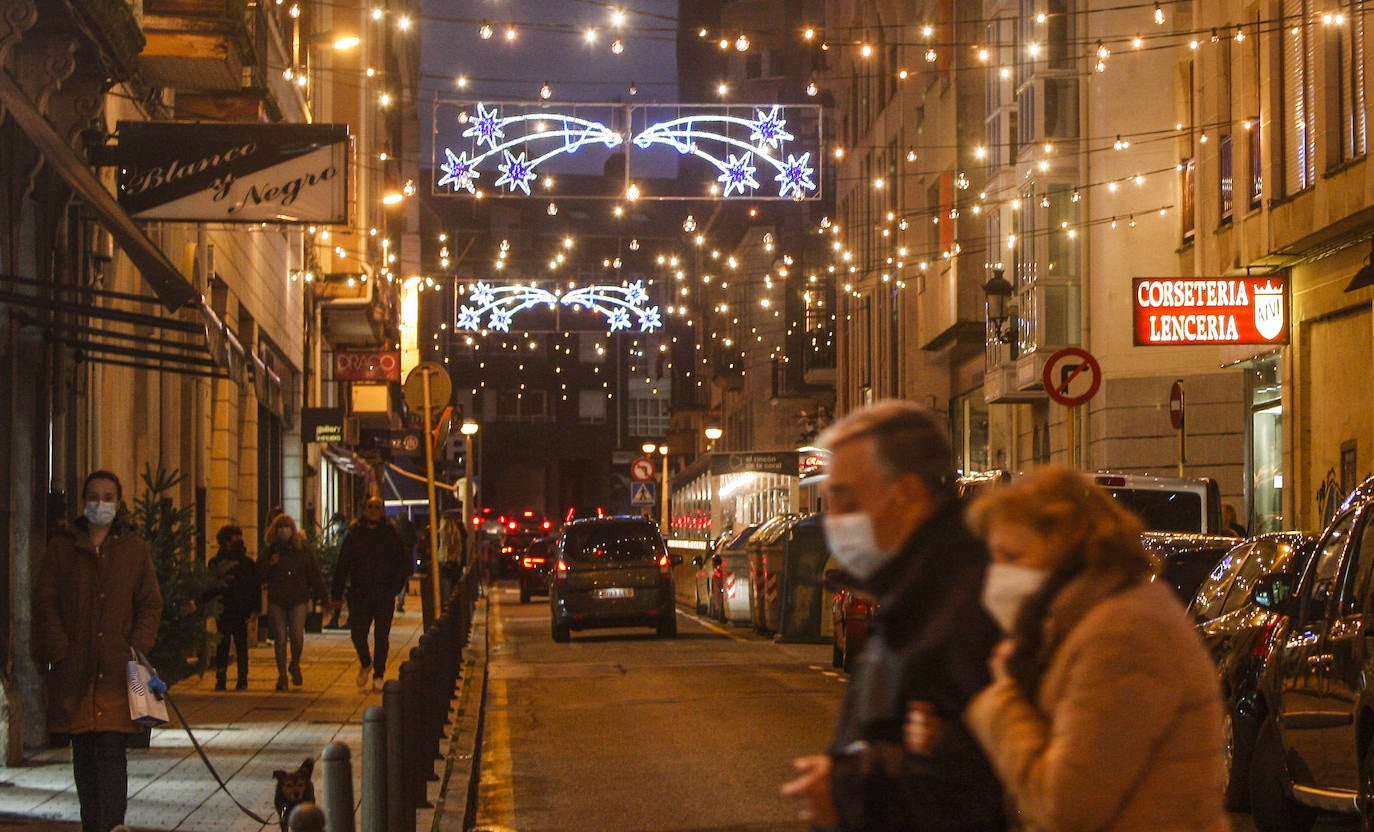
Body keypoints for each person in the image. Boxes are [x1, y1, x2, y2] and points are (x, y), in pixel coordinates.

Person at [906, 465, 1228, 832]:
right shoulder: (1083, 625)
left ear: (1063, 547)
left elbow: (1066, 806)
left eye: (1011, 556)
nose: (997, 576)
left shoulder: (1123, 633)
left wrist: (999, 700)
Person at [780, 400, 1005, 832]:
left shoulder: (966, 606)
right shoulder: (911, 593)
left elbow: (979, 786)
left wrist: (846, 793)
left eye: (846, 499)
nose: (834, 520)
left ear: (906, 495)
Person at [34, 470, 163, 832]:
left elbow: (150, 602)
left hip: (118, 671)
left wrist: (137, 645)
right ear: (83, 501)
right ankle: (94, 824)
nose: (100, 503)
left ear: (118, 503)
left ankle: (111, 825)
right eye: (94, 496)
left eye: (108, 497)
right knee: (85, 758)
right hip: (76, 673)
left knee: (110, 752)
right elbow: (45, 603)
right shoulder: (63, 547)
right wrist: (60, 650)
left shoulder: (133, 549)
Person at [331, 496, 411, 691]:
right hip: (359, 594)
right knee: (358, 634)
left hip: (383, 594)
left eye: (377, 507)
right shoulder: (355, 534)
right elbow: (343, 565)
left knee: (382, 636)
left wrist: (395, 587)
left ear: (382, 511)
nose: (373, 510)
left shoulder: (391, 535)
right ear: (364, 509)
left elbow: (403, 563)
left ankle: (379, 674)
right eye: (370, 507)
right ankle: (366, 662)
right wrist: (336, 594)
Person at [258, 512, 326, 692]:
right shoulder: (270, 550)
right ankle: (282, 675)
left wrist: (322, 595)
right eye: (280, 527)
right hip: (277, 599)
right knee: (280, 637)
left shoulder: (302, 550)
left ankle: (294, 664)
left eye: (286, 527)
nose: (284, 531)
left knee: (297, 635)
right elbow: (258, 574)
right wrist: (270, 564)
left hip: (298, 599)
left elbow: (313, 572)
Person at [207, 524, 260, 691]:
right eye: (234, 537)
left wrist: (255, 609)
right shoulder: (216, 563)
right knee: (223, 644)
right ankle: (221, 677)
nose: (238, 539)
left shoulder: (247, 563)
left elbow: (254, 586)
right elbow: (211, 586)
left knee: (241, 644)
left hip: (241, 609)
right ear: (225, 541)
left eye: (239, 536)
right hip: (223, 609)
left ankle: (242, 678)